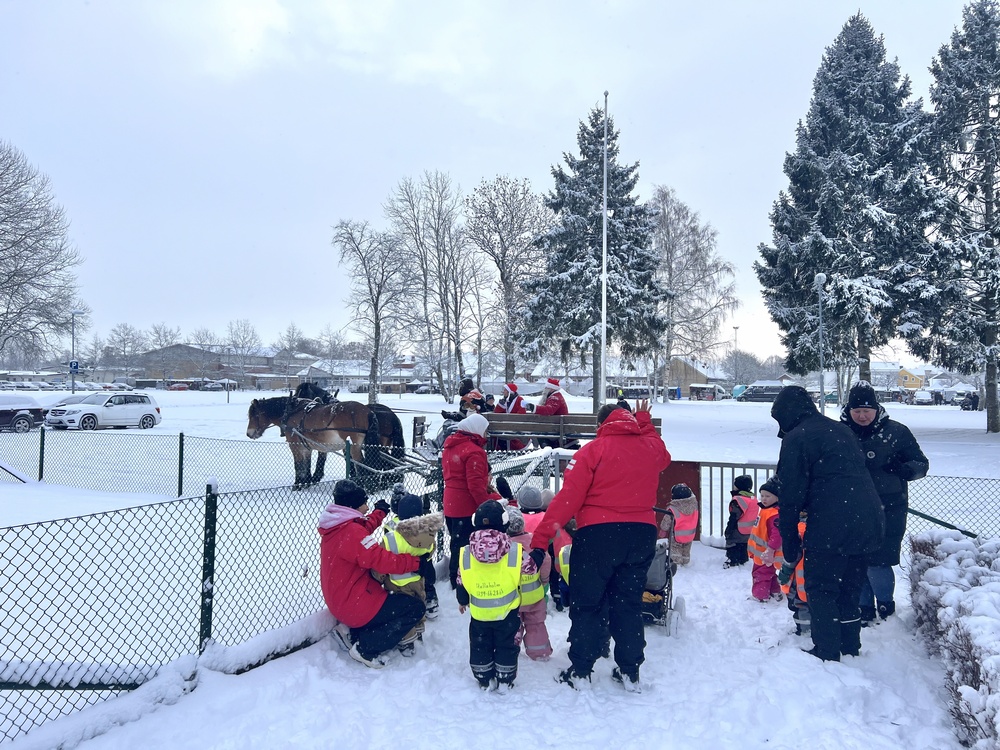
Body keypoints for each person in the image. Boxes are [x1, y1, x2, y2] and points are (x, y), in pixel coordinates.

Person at [529, 400, 670, 692]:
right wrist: (643, 419)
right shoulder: (650, 449)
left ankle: (581, 669)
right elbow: (660, 449)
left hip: (598, 536)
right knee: (628, 604)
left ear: (600, 426)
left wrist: (541, 540)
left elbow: (566, 501)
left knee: (588, 604)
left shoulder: (592, 452)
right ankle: (630, 670)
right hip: (641, 534)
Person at [770, 385, 884, 662]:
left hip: (832, 524)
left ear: (786, 414)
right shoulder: (840, 430)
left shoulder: (798, 437)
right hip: (868, 519)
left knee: (821, 589)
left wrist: (790, 542)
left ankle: (826, 651)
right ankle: (849, 647)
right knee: (849, 588)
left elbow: (790, 494)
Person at [840, 381, 929, 623]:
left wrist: (904, 469)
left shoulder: (897, 432)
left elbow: (921, 464)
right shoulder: (839, 432)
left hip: (889, 506)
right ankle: (863, 607)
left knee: (879, 560)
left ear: (876, 409)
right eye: (856, 411)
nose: (861, 416)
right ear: (848, 410)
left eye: (866, 411)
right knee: (856, 559)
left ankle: (886, 606)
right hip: (851, 506)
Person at [318, 480, 426, 668]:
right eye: (364, 502)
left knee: (392, 602)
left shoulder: (338, 526)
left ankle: (354, 633)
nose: (368, 506)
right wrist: (415, 563)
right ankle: (366, 648)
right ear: (354, 505)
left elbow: (363, 528)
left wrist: (380, 513)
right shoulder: (351, 532)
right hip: (354, 605)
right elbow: (380, 560)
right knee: (414, 607)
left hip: (342, 599)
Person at [456, 500, 539, 692]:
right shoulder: (515, 550)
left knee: (480, 644)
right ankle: (505, 677)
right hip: (507, 612)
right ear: (504, 523)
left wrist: (462, 600)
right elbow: (531, 568)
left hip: (479, 614)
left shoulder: (466, 553)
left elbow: (461, 578)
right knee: (507, 644)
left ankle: (483, 676)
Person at [374, 492, 443, 654]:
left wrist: (378, 577)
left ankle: (406, 643)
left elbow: (381, 561)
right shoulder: (427, 537)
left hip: (397, 584)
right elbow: (430, 554)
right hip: (418, 581)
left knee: (402, 613)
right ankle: (418, 633)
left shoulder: (392, 538)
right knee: (418, 604)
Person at [441, 412, 491, 593]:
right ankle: (463, 580)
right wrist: (486, 506)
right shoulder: (474, 452)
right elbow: (476, 485)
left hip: (450, 503)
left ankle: (454, 577)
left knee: (455, 543)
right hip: (466, 505)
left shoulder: (450, 447)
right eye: (485, 431)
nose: (486, 435)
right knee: (468, 545)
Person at [506, 507, 553, 661]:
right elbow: (545, 561)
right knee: (536, 624)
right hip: (534, 595)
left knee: (513, 623)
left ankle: (511, 647)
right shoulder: (534, 541)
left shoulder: (503, 546)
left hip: (513, 597)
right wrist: (544, 580)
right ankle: (539, 651)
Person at [747, 477, 783, 602]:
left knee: (760, 574)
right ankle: (774, 591)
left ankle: (760, 596)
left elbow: (777, 534)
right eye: (762, 495)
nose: (764, 499)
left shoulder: (774, 514)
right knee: (769, 573)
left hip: (766, 553)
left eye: (768, 496)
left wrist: (771, 549)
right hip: (762, 552)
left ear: (777, 498)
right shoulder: (766, 510)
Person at [724, 475, 757, 568]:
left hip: (738, 529)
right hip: (749, 529)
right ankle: (743, 558)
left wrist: (729, 529)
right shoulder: (753, 498)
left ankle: (732, 560)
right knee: (743, 544)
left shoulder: (738, 500)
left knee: (732, 542)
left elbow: (734, 516)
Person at [667, 483, 699, 566]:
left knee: (675, 548)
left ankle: (676, 563)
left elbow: (667, 520)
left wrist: (663, 529)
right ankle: (685, 561)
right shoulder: (694, 506)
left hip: (676, 535)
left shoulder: (673, 508)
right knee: (686, 549)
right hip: (690, 534)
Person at [493, 382, 527, 451]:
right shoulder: (506, 400)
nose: (503, 392)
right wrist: (500, 405)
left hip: (516, 427)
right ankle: (502, 450)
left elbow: (522, 413)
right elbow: (496, 413)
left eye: (505, 390)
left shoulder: (520, 400)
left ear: (510, 392)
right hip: (506, 426)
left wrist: (510, 420)